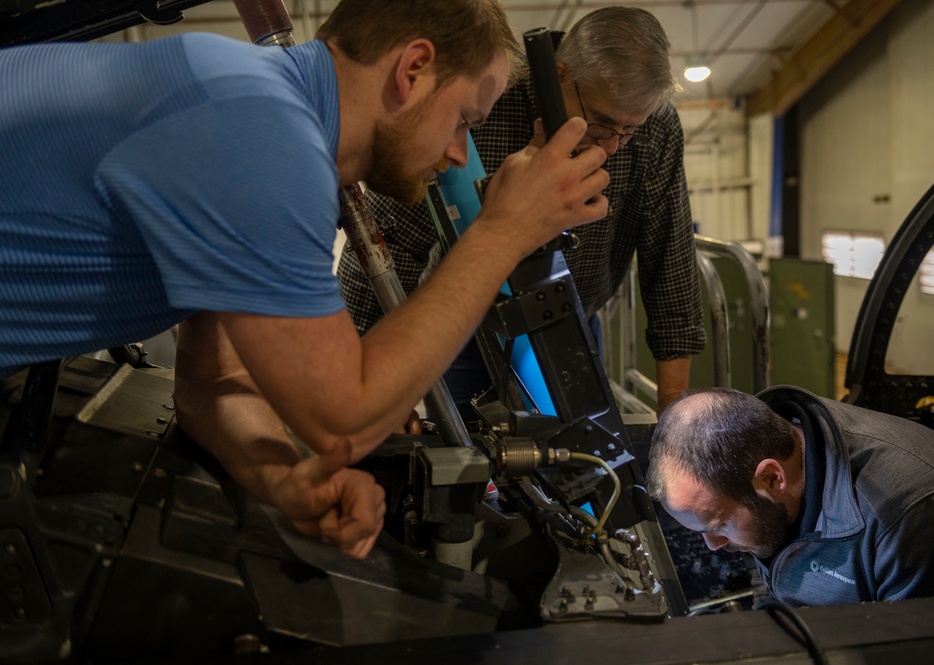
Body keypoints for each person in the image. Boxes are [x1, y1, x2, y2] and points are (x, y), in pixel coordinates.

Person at [0, 0, 610, 559]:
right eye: (463, 120)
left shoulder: (255, 110)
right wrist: (502, 233)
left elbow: (214, 380)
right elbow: (345, 413)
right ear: (414, 68)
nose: (458, 152)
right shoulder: (260, 131)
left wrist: (283, 477)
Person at [337, 6, 705, 417]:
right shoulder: (483, 98)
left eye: (630, 130)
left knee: (587, 458)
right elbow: (387, 239)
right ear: (561, 74)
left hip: (573, 327)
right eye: (601, 122)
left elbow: (670, 267)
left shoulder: (655, 126)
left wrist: (675, 421)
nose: (613, 147)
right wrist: (371, 386)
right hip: (462, 329)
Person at [645, 385, 934, 607]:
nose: (713, 545)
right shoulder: (769, 449)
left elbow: (919, 650)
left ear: (771, 477)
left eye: (720, 524)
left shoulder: (917, 511)